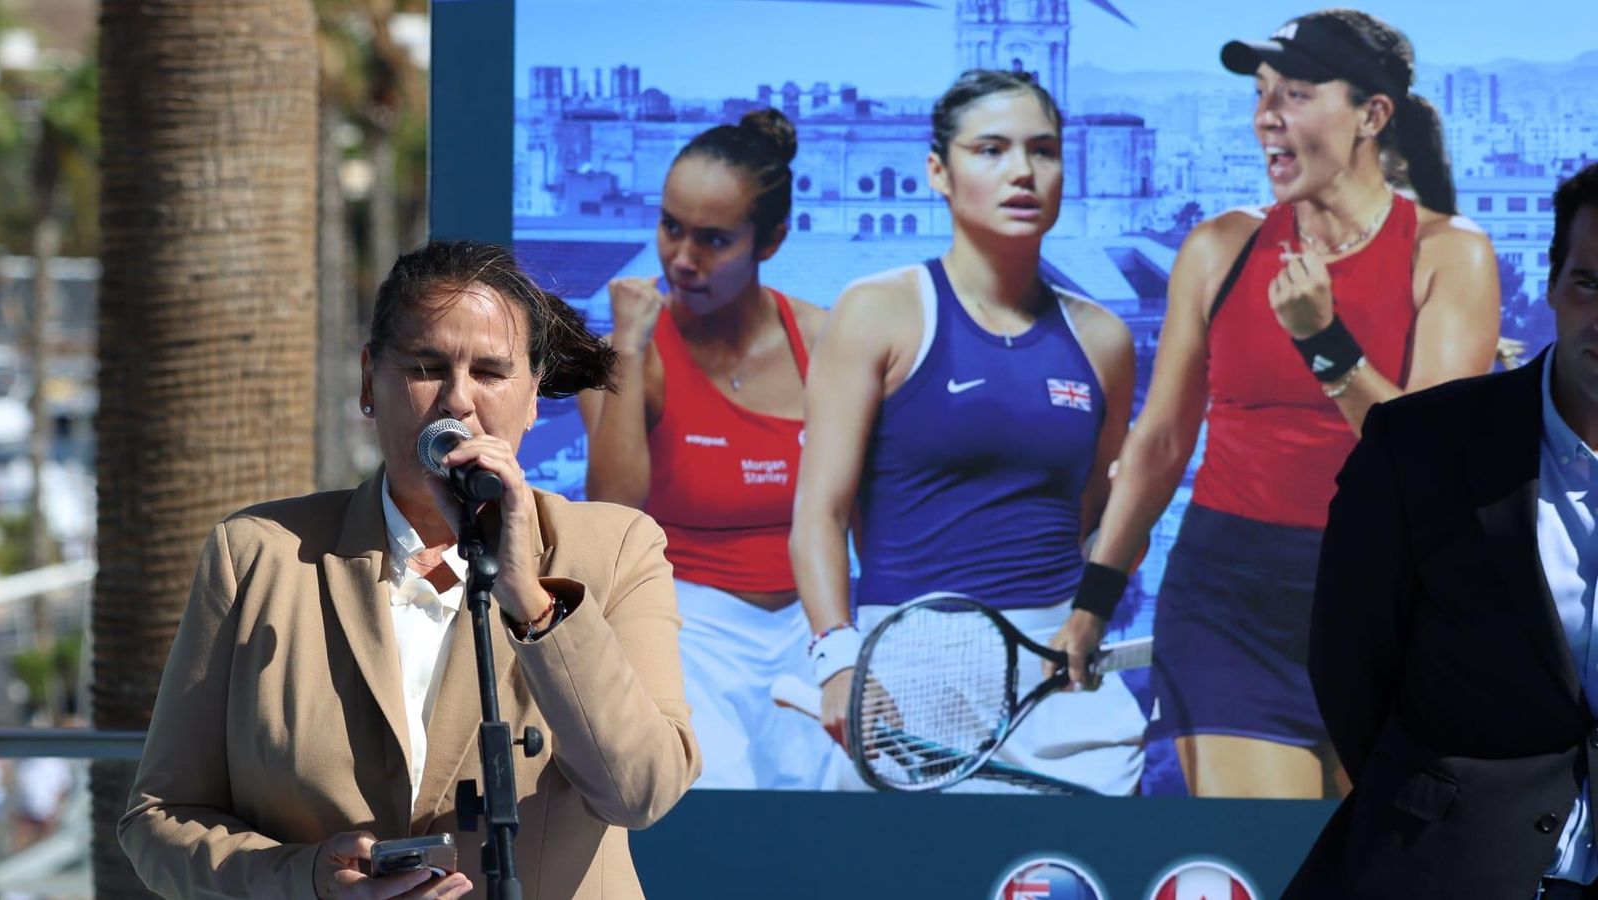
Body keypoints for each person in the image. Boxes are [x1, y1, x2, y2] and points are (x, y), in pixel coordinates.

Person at [119, 241, 700, 900]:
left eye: (490, 371)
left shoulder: (616, 548)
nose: (458, 399)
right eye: (427, 366)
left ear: (533, 396)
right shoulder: (257, 556)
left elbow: (643, 792)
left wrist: (526, 595)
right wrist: (308, 879)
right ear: (371, 382)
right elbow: (157, 819)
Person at [1051, 8, 1501, 799]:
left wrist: (1326, 345)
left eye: (1294, 93)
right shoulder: (1217, 248)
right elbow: (1159, 446)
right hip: (1232, 600)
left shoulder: (1450, 255)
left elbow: (1429, 463)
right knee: (1268, 862)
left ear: (1372, 114)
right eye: (1261, 94)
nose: (1266, 116)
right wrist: (1094, 601)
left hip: (1393, 605)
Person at [790, 69, 1146, 795]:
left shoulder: (1104, 339)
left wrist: (1079, 622)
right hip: (903, 670)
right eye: (991, 149)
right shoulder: (874, 312)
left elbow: (1096, 517)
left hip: (1060, 675)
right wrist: (839, 663)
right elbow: (819, 516)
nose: (1023, 171)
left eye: (1043, 151)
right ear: (938, 172)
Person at [1284, 163, 1598, 898]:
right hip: (1447, 867)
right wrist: (1441, 805)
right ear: (1552, 287)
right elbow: (1349, 663)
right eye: (1591, 284)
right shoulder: (1419, 444)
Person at [577, 108, 830, 790]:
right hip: (684, 630)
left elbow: (867, 509)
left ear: (771, 240)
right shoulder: (625, 355)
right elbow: (611, 511)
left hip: (809, 632)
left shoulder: (826, 342)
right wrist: (627, 346)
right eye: (671, 227)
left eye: (713, 239)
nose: (682, 259)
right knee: (720, 799)